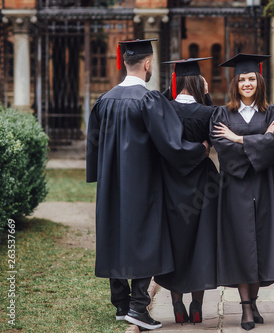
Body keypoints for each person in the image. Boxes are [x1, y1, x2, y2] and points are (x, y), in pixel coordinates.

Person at [86, 39, 208, 331]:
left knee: (115, 233)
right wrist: (200, 149)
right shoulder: (148, 100)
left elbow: (93, 144)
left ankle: (121, 304)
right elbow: (172, 144)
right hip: (141, 182)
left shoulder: (104, 100)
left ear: (124, 62)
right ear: (148, 64)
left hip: (111, 182)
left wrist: (100, 174)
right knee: (145, 239)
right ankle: (139, 308)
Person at [210, 53, 274, 331]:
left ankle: (253, 300)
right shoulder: (222, 114)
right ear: (235, 83)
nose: (246, 83)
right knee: (242, 244)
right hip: (235, 188)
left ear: (259, 81)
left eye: (251, 78)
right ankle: (245, 307)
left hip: (265, 188)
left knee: (261, 244)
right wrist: (260, 140)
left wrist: (240, 138)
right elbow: (223, 148)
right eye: (242, 79)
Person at [154, 57, 218, 324]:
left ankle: (177, 306)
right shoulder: (207, 113)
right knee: (200, 243)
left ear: (175, 82)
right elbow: (216, 134)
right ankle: (197, 306)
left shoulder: (164, 110)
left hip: (170, 184)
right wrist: (207, 96)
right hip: (202, 185)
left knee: (175, 243)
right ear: (198, 83)